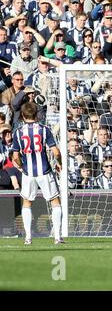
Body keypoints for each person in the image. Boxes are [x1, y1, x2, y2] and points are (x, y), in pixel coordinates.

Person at [11, 102, 64, 245]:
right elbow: (56, 152)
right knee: (55, 201)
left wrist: (22, 168)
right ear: (37, 115)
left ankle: (28, 237)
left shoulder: (18, 132)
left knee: (27, 203)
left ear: (22, 115)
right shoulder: (44, 130)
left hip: (28, 173)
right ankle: (58, 237)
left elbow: (15, 157)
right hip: (45, 171)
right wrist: (59, 163)